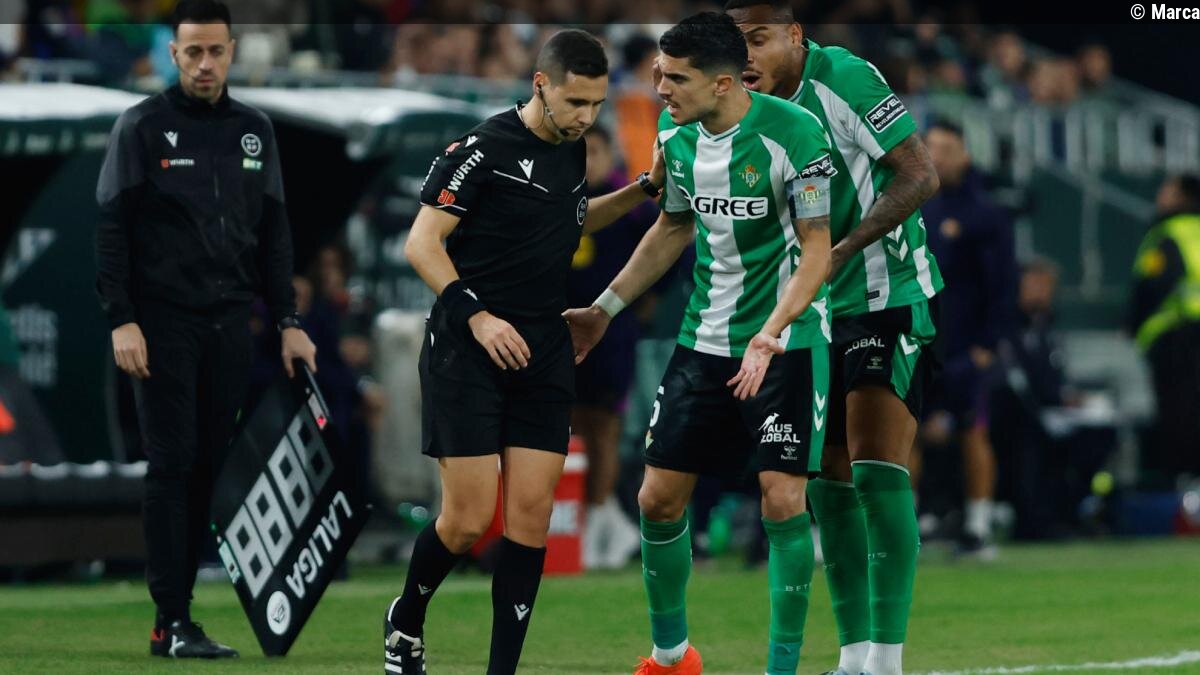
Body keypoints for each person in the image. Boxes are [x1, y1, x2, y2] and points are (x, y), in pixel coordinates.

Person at [387, 29, 666, 675]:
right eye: (575, 102)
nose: (586, 117)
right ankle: (405, 620)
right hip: (468, 345)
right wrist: (479, 318)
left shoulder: (573, 149)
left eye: (596, 104)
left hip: (542, 345)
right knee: (466, 521)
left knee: (532, 518)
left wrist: (643, 189)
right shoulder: (480, 149)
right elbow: (422, 243)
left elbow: (571, 219)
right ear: (541, 84)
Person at [566, 13, 836, 674]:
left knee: (782, 501)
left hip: (789, 342)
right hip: (704, 340)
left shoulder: (797, 133)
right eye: (660, 74)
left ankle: (781, 667)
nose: (660, 89)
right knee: (656, 499)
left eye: (676, 78)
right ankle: (671, 658)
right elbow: (671, 228)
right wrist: (604, 310)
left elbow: (816, 251)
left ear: (723, 82)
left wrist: (771, 331)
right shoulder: (674, 138)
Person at [94, 0, 317, 659]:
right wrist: (122, 318)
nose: (204, 63)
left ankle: (180, 616)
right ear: (173, 54)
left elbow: (275, 234)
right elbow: (110, 230)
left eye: (215, 51)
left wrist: (288, 320)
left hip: (230, 323)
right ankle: (170, 619)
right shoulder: (141, 125)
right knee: (171, 462)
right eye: (192, 52)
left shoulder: (255, 130)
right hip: (162, 322)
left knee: (207, 467)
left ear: (232, 51)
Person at [726, 2, 944, 673]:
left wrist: (843, 250)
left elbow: (920, 173)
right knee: (827, 480)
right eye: (736, 44)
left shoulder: (844, 78)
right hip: (813, 309)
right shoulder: (744, 109)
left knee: (877, 467)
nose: (746, 57)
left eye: (758, 39)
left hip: (885, 293)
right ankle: (853, 656)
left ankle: (887, 659)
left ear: (795, 35)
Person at [922, 120, 1016, 558]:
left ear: (965, 156)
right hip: (917, 342)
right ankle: (904, 527)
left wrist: (987, 344)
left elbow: (1003, 283)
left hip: (964, 346)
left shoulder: (984, 214)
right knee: (903, 433)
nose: (937, 156)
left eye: (947, 149)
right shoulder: (908, 205)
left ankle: (978, 526)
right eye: (931, 147)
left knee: (972, 432)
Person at [569, 126, 655, 570]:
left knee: (604, 426)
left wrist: (646, 304)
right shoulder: (562, 198)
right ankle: (584, 518)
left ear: (611, 154)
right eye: (580, 153)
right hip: (563, 327)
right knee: (572, 425)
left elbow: (672, 244)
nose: (587, 162)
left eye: (595, 151)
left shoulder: (630, 202)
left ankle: (601, 517)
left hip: (613, 333)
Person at [1129, 174, 1200, 480]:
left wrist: (1131, 322)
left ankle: (1183, 486)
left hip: (1179, 336)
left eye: (1167, 190)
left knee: (1179, 416)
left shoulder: (1170, 233)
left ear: (1182, 196)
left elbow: (1153, 284)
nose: (1159, 196)